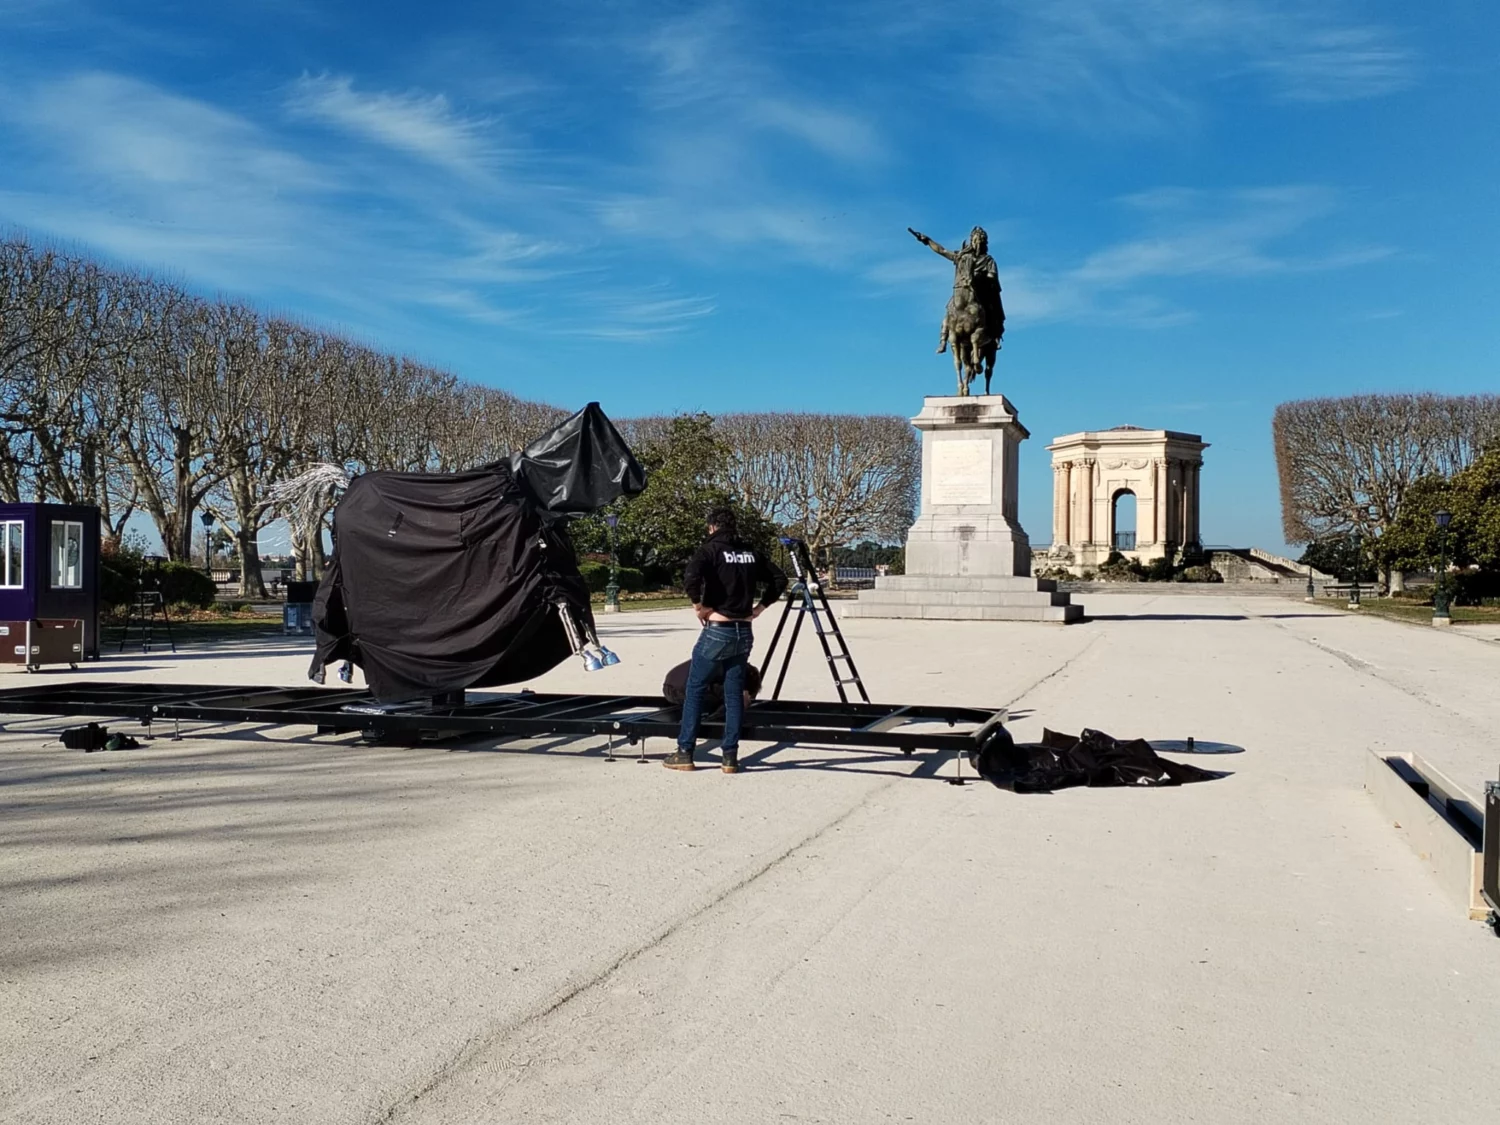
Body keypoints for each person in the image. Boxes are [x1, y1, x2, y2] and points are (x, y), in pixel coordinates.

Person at [664, 507, 786, 773]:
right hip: (744, 628)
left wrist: (699, 606)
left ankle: (685, 751)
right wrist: (759, 608)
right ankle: (730, 756)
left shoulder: (710, 550)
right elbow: (779, 579)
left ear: (712, 527)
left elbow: (691, 577)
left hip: (718, 627)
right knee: (733, 693)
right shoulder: (750, 552)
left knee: (695, 687)